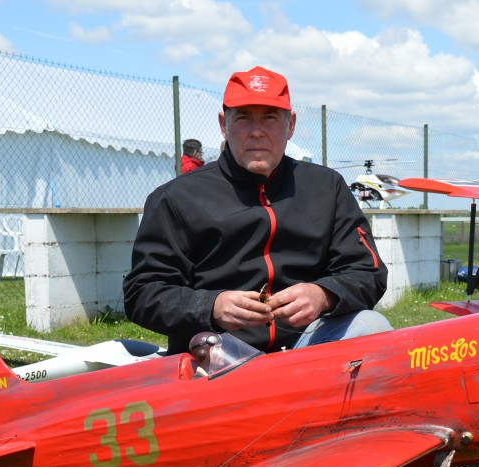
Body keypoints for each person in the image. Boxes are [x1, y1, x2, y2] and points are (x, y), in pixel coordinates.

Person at [123, 65, 391, 355]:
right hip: (216, 354)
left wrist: (323, 294)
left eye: (270, 118)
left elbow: (368, 272)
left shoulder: (327, 188)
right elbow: (142, 292)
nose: (256, 132)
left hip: (307, 348)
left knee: (370, 325)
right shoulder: (176, 198)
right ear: (223, 124)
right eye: (243, 118)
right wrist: (211, 306)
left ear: (291, 125)